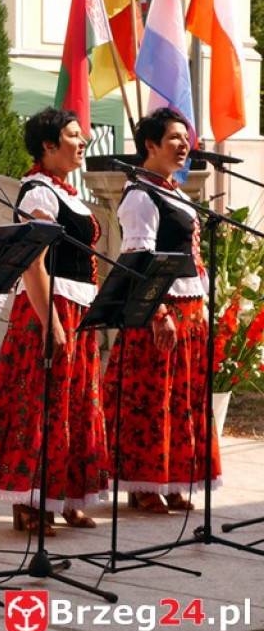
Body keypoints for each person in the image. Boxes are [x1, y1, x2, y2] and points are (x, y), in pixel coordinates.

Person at [0, 107, 109, 535]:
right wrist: (51, 323)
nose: (82, 142)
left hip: (77, 308)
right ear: (48, 145)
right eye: (73, 135)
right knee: (40, 405)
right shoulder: (38, 193)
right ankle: (30, 502)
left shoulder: (65, 193)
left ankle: (67, 495)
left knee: (75, 405)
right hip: (49, 307)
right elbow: (33, 264)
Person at [103, 107, 221, 513]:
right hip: (159, 309)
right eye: (174, 137)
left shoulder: (173, 191)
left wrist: (201, 304)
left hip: (188, 310)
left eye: (185, 138)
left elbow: (193, 257)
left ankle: (171, 479)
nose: (183, 144)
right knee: (151, 399)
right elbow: (138, 258)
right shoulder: (141, 195)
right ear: (150, 145)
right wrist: (159, 313)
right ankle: (142, 483)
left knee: (181, 398)